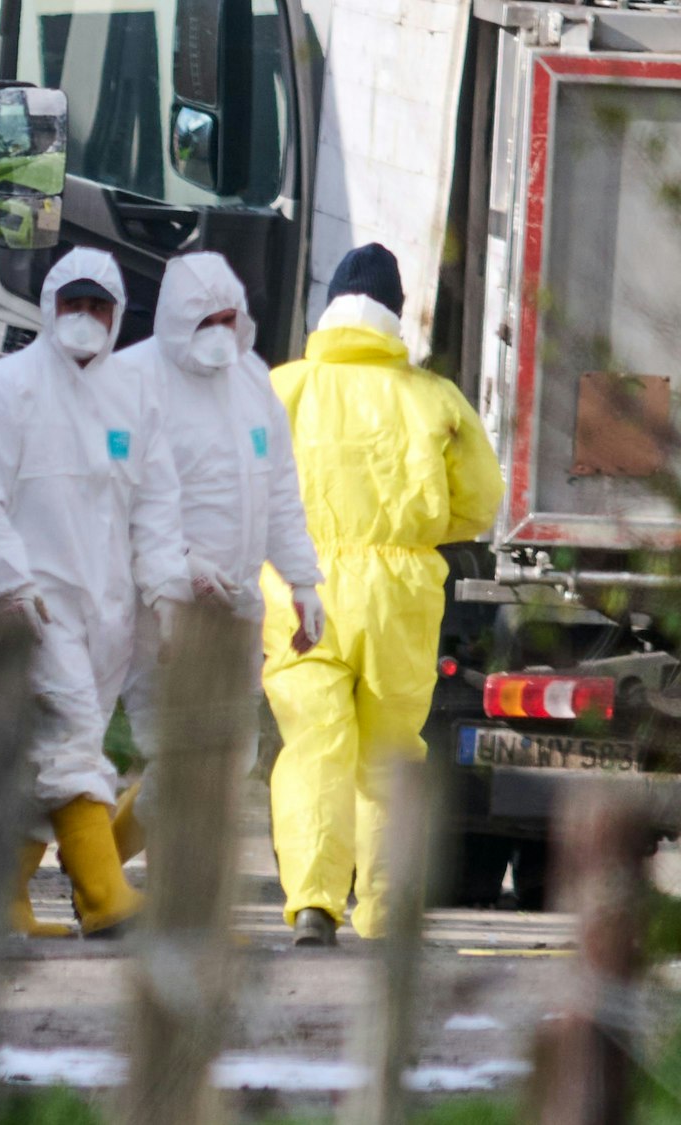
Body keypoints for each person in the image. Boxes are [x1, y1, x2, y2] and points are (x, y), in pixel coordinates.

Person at [0, 247, 191, 939]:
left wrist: (167, 595)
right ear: (49, 305)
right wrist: (11, 579)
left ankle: (1, 899)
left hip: (109, 616)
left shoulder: (134, 398)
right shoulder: (6, 387)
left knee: (49, 758)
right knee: (75, 740)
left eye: (98, 306)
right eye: (72, 303)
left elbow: (156, 509)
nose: (84, 317)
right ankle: (106, 896)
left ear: (117, 314)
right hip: (34, 603)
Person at [264, 243, 504, 947]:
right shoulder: (435, 398)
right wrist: (414, 532)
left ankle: (314, 901)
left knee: (314, 744)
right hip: (401, 592)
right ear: (396, 317)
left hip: (301, 587)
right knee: (390, 755)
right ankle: (387, 911)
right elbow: (480, 502)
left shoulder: (284, 387)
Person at [109, 252, 326, 860]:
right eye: (205, 321)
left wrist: (302, 581)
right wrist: (178, 568)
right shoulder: (131, 381)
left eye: (229, 319)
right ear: (175, 320)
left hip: (235, 604)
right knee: (179, 755)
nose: (219, 332)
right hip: (157, 605)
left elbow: (278, 490)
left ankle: (101, 867)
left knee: (230, 757)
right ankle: (115, 884)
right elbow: (112, 497)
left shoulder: (252, 380)